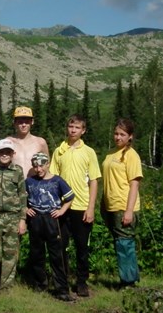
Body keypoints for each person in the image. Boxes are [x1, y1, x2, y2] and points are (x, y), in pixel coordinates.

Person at [50, 114, 101, 297]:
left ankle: (81, 282)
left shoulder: (89, 152)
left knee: (81, 247)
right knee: (60, 245)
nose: (73, 130)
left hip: (81, 206)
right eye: (71, 126)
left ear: (83, 131)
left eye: (77, 127)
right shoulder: (59, 151)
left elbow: (94, 181)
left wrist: (91, 207)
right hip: (62, 207)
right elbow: (53, 179)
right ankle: (61, 282)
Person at [25, 152, 75, 302]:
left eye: (41, 165)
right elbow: (20, 198)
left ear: (47, 165)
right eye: (35, 166)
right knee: (37, 254)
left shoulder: (57, 180)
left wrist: (62, 211)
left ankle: (61, 289)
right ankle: (40, 284)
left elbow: (70, 197)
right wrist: (25, 209)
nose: (38, 169)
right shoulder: (29, 181)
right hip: (35, 220)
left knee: (57, 255)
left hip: (52, 220)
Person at [100, 118, 143, 288]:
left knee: (125, 244)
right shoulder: (111, 153)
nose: (118, 137)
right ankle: (127, 278)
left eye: (122, 134)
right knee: (119, 243)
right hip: (110, 206)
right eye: (116, 133)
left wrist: (129, 211)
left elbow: (134, 184)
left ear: (130, 136)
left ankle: (129, 283)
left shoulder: (132, 156)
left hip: (124, 206)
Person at [0, 138, 28, 293]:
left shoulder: (17, 170)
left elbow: (22, 195)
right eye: (2, 152)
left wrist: (22, 220)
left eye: (8, 152)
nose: (4, 155)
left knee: (10, 254)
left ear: (12, 154)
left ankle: (6, 288)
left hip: (13, 217)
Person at [9, 106, 49, 178]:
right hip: (14, 186)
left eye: (27, 122)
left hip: (35, 185)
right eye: (20, 122)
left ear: (32, 122)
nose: (24, 125)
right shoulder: (8, 142)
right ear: (14, 123)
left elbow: (47, 165)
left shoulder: (40, 142)